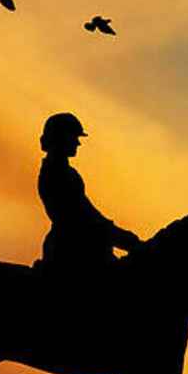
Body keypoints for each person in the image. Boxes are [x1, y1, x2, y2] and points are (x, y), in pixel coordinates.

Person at [33, 113, 142, 282]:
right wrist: (121, 237)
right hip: (73, 249)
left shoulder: (63, 172)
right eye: (74, 137)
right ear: (62, 137)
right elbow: (83, 216)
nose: (78, 143)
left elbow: (88, 212)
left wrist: (115, 233)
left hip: (76, 243)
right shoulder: (58, 174)